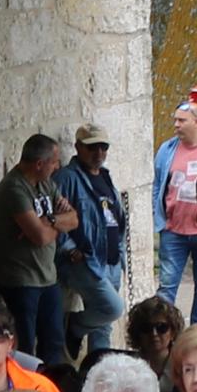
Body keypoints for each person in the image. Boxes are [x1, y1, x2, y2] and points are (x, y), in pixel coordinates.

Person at [0, 132, 75, 375]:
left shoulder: (45, 183)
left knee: (53, 343)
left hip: (47, 277)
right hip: (22, 281)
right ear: (39, 164)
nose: (58, 167)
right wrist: (51, 225)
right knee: (26, 348)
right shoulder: (15, 189)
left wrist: (49, 219)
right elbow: (40, 237)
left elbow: (74, 219)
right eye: (54, 162)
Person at [59, 124, 132, 359]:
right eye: (92, 147)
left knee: (103, 328)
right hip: (86, 261)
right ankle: (75, 325)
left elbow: (115, 218)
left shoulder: (105, 176)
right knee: (112, 308)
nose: (98, 153)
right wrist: (70, 248)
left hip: (110, 260)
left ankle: (97, 375)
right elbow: (54, 219)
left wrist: (119, 251)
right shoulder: (67, 178)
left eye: (103, 147)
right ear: (78, 147)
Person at [151, 99, 197, 314]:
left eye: (182, 121)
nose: (176, 125)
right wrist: (160, 219)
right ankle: (163, 332)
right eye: (175, 120)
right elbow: (158, 184)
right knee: (166, 287)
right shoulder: (167, 149)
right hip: (173, 231)